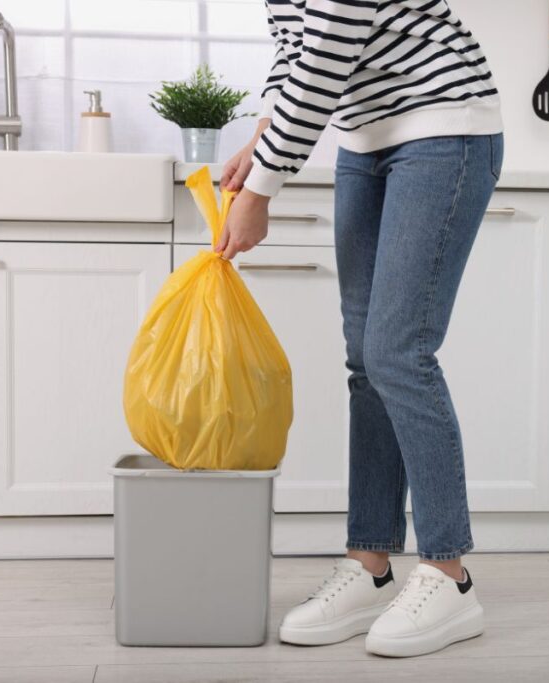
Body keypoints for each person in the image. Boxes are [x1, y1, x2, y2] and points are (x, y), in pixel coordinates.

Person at [219, 0, 503, 658]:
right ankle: (371, 564)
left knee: (398, 353)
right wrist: (263, 137)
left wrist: (262, 189)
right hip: (363, 139)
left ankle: (449, 574)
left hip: (442, 126)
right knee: (365, 361)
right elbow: (295, 47)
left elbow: (324, 59)